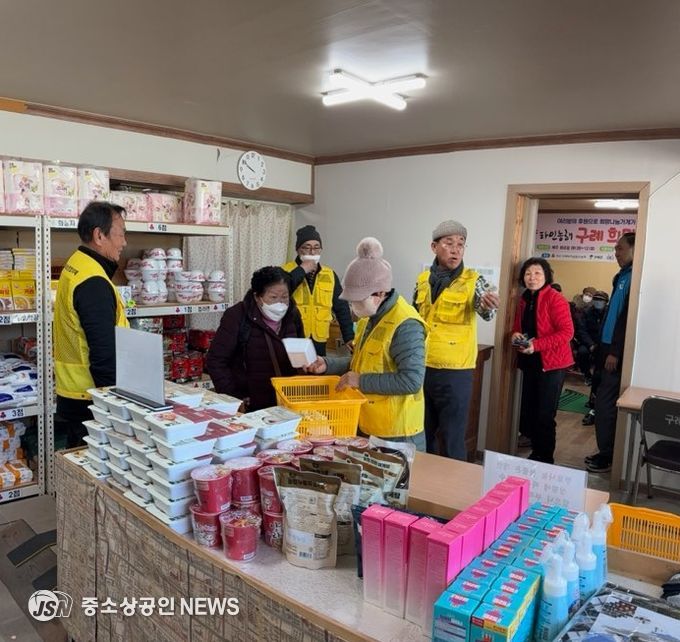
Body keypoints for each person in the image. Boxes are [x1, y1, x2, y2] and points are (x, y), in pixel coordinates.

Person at [305, 237, 427, 450]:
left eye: (357, 300)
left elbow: (411, 381)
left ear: (380, 293)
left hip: (398, 433)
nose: (353, 306)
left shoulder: (406, 324)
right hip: (368, 425)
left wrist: (360, 381)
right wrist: (327, 364)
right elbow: (361, 362)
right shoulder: (369, 317)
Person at [413, 220, 499, 461]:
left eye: (461, 244)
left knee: (452, 438)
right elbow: (414, 317)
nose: (456, 249)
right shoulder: (422, 279)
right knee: (422, 433)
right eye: (449, 243)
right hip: (422, 367)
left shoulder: (474, 280)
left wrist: (488, 305)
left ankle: (455, 484)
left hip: (455, 371)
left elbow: (486, 311)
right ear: (434, 247)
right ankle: (426, 481)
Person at [54, 201, 129, 447]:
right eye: (121, 234)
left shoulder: (77, 263)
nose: (124, 242)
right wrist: (114, 408)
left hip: (74, 392)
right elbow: (104, 353)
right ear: (99, 235)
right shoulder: (93, 281)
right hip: (91, 398)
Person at [207, 266, 304, 411]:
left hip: (287, 400)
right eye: (273, 297)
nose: (280, 304)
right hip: (251, 403)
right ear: (257, 297)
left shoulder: (292, 315)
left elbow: (301, 353)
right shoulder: (237, 316)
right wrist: (232, 397)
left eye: (285, 297)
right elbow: (216, 360)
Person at [512, 257, 574, 464]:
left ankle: (545, 457)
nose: (532, 278)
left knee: (545, 414)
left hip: (553, 365)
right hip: (530, 362)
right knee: (529, 409)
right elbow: (518, 326)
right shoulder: (523, 299)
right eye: (528, 273)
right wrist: (515, 335)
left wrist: (536, 345)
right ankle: (535, 449)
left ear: (546, 276)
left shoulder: (555, 299)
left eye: (537, 273)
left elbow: (567, 333)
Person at [585, 232, 635, 473]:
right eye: (615, 249)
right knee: (601, 400)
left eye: (620, 248)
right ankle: (605, 451)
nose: (616, 253)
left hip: (616, 352)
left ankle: (607, 455)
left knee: (606, 405)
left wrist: (615, 351)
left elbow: (626, 320)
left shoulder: (635, 276)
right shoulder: (621, 276)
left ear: (634, 249)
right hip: (605, 348)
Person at [283, 225, 354, 357]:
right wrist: (302, 270)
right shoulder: (286, 271)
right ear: (298, 249)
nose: (312, 252)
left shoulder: (329, 274)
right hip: (294, 337)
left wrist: (348, 336)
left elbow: (342, 308)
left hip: (319, 338)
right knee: (294, 369)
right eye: (307, 247)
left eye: (316, 247)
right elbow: (282, 290)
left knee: (316, 368)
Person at [580, 290, 609, 425]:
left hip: (604, 346)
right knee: (582, 353)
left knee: (600, 375)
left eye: (601, 300)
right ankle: (587, 376)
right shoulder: (587, 312)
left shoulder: (609, 313)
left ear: (606, 302)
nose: (598, 302)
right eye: (596, 299)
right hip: (589, 342)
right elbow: (582, 330)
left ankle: (596, 404)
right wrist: (590, 344)